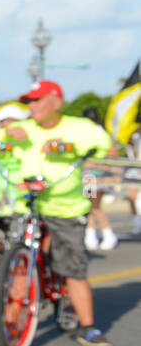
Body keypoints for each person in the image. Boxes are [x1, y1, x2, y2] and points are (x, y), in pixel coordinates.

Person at [0, 80, 118, 346]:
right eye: (30, 101)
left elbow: (106, 147)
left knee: (73, 268)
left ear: (56, 102)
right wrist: (5, 139)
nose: (33, 106)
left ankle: (88, 327)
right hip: (29, 204)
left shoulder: (79, 128)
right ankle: (9, 325)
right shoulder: (22, 128)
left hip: (65, 208)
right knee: (18, 265)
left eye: (38, 100)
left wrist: (65, 148)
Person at [78, 106, 117, 251]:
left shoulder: (98, 134)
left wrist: (95, 161)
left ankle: (105, 234)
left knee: (93, 207)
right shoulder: (97, 133)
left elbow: (112, 153)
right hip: (92, 176)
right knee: (91, 206)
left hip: (94, 176)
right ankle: (93, 234)